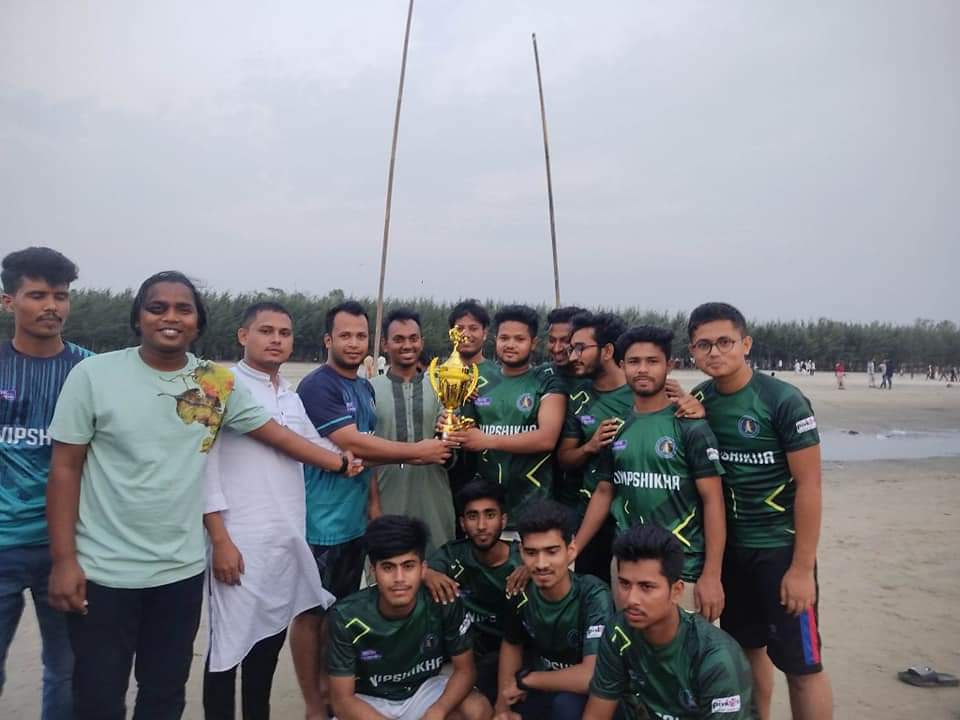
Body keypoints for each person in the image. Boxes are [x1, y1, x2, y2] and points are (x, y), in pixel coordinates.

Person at [45, 271, 360, 720]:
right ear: (137, 317)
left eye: (184, 309)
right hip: (105, 570)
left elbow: (278, 435)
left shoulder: (215, 383)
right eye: (158, 308)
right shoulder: (94, 375)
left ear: (198, 322)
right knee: (99, 696)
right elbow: (65, 469)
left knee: (164, 694)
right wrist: (63, 561)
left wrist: (341, 462)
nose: (171, 318)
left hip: (180, 570)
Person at [292, 300, 451, 719]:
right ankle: (315, 705)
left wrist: (374, 512)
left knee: (339, 614)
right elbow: (353, 443)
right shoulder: (318, 385)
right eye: (344, 335)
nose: (353, 343)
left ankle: (332, 692)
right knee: (311, 615)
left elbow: (367, 464)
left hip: (355, 523)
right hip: (321, 523)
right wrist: (418, 452)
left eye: (360, 335)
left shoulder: (362, 388)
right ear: (328, 339)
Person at [687, 302, 833, 720]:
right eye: (704, 344)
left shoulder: (782, 400)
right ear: (692, 351)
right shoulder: (700, 400)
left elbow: (810, 485)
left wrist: (801, 568)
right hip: (731, 554)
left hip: (779, 552)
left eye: (725, 342)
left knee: (802, 666)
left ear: (746, 344)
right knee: (746, 653)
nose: (715, 352)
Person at [202, 302, 337, 720]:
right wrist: (220, 539)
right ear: (243, 336)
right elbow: (201, 465)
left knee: (265, 650)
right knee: (227, 652)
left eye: (284, 333)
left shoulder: (290, 395)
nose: (276, 339)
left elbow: (318, 447)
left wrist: (371, 452)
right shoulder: (217, 385)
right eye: (266, 331)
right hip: (238, 542)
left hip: (283, 542)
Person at [574, 325, 727, 622]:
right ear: (622, 366)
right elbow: (604, 492)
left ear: (669, 365)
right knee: (630, 646)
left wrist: (712, 574)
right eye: (634, 361)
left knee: (682, 650)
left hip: (681, 571)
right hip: (627, 569)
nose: (642, 369)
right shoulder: (616, 428)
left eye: (652, 361)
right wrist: (574, 548)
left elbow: (713, 501)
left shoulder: (691, 427)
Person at [0, 247, 88, 719]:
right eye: (37, 295)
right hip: (2, 546)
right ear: (8, 301)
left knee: (68, 670)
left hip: (70, 547)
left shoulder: (90, 371)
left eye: (60, 295)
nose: (52, 306)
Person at [326, 515, 492, 720]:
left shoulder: (443, 600)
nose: (399, 579)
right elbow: (343, 701)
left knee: (477, 708)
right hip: (368, 700)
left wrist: (438, 711)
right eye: (388, 567)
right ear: (373, 571)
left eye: (408, 566)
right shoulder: (346, 616)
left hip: (423, 692)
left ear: (423, 569)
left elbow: (465, 671)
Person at [584, 524, 757, 720]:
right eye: (624, 584)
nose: (631, 599)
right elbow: (596, 714)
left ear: (676, 591)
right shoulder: (618, 632)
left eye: (646, 587)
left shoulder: (715, 656)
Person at [448, 305, 566, 529]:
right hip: (487, 512)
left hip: (533, 504)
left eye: (519, 339)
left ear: (533, 343)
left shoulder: (545, 381)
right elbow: (466, 433)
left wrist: (488, 440)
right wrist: (449, 426)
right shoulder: (476, 383)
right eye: (504, 338)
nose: (510, 345)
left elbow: (547, 439)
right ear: (495, 340)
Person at [494, 500, 614, 720]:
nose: (541, 564)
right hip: (539, 687)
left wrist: (526, 680)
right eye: (532, 552)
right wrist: (502, 709)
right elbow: (511, 644)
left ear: (571, 550)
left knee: (566, 706)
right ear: (521, 552)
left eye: (551, 552)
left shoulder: (593, 595)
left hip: (580, 695)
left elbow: (591, 676)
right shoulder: (519, 590)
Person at [423, 481, 527, 705]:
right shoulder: (452, 555)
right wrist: (427, 574)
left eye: (490, 515)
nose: (481, 525)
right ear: (462, 523)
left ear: (503, 520)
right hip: (467, 653)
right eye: (472, 516)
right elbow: (411, 572)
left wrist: (532, 569)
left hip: (517, 653)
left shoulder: (523, 559)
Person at [555, 311, 632, 583]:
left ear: (607, 351)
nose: (573, 356)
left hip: (634, 519)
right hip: (591, 519)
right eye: (572, 348)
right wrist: (590, 446)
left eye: (580, 348)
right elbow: (565, 458)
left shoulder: (643, 391)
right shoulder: (578, 397)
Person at [370, 308, 455, 554]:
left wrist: (451, 437)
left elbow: (452, 452)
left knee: (437, 568)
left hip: (434, 501)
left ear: (422, 342)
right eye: (398, 339)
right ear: (385, 344)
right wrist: (373, 507)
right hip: (385, 499)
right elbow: (362, 449)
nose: (407, 345)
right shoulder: (368, 389)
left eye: (413, 338)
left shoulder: (442, 388)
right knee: (390, 566)